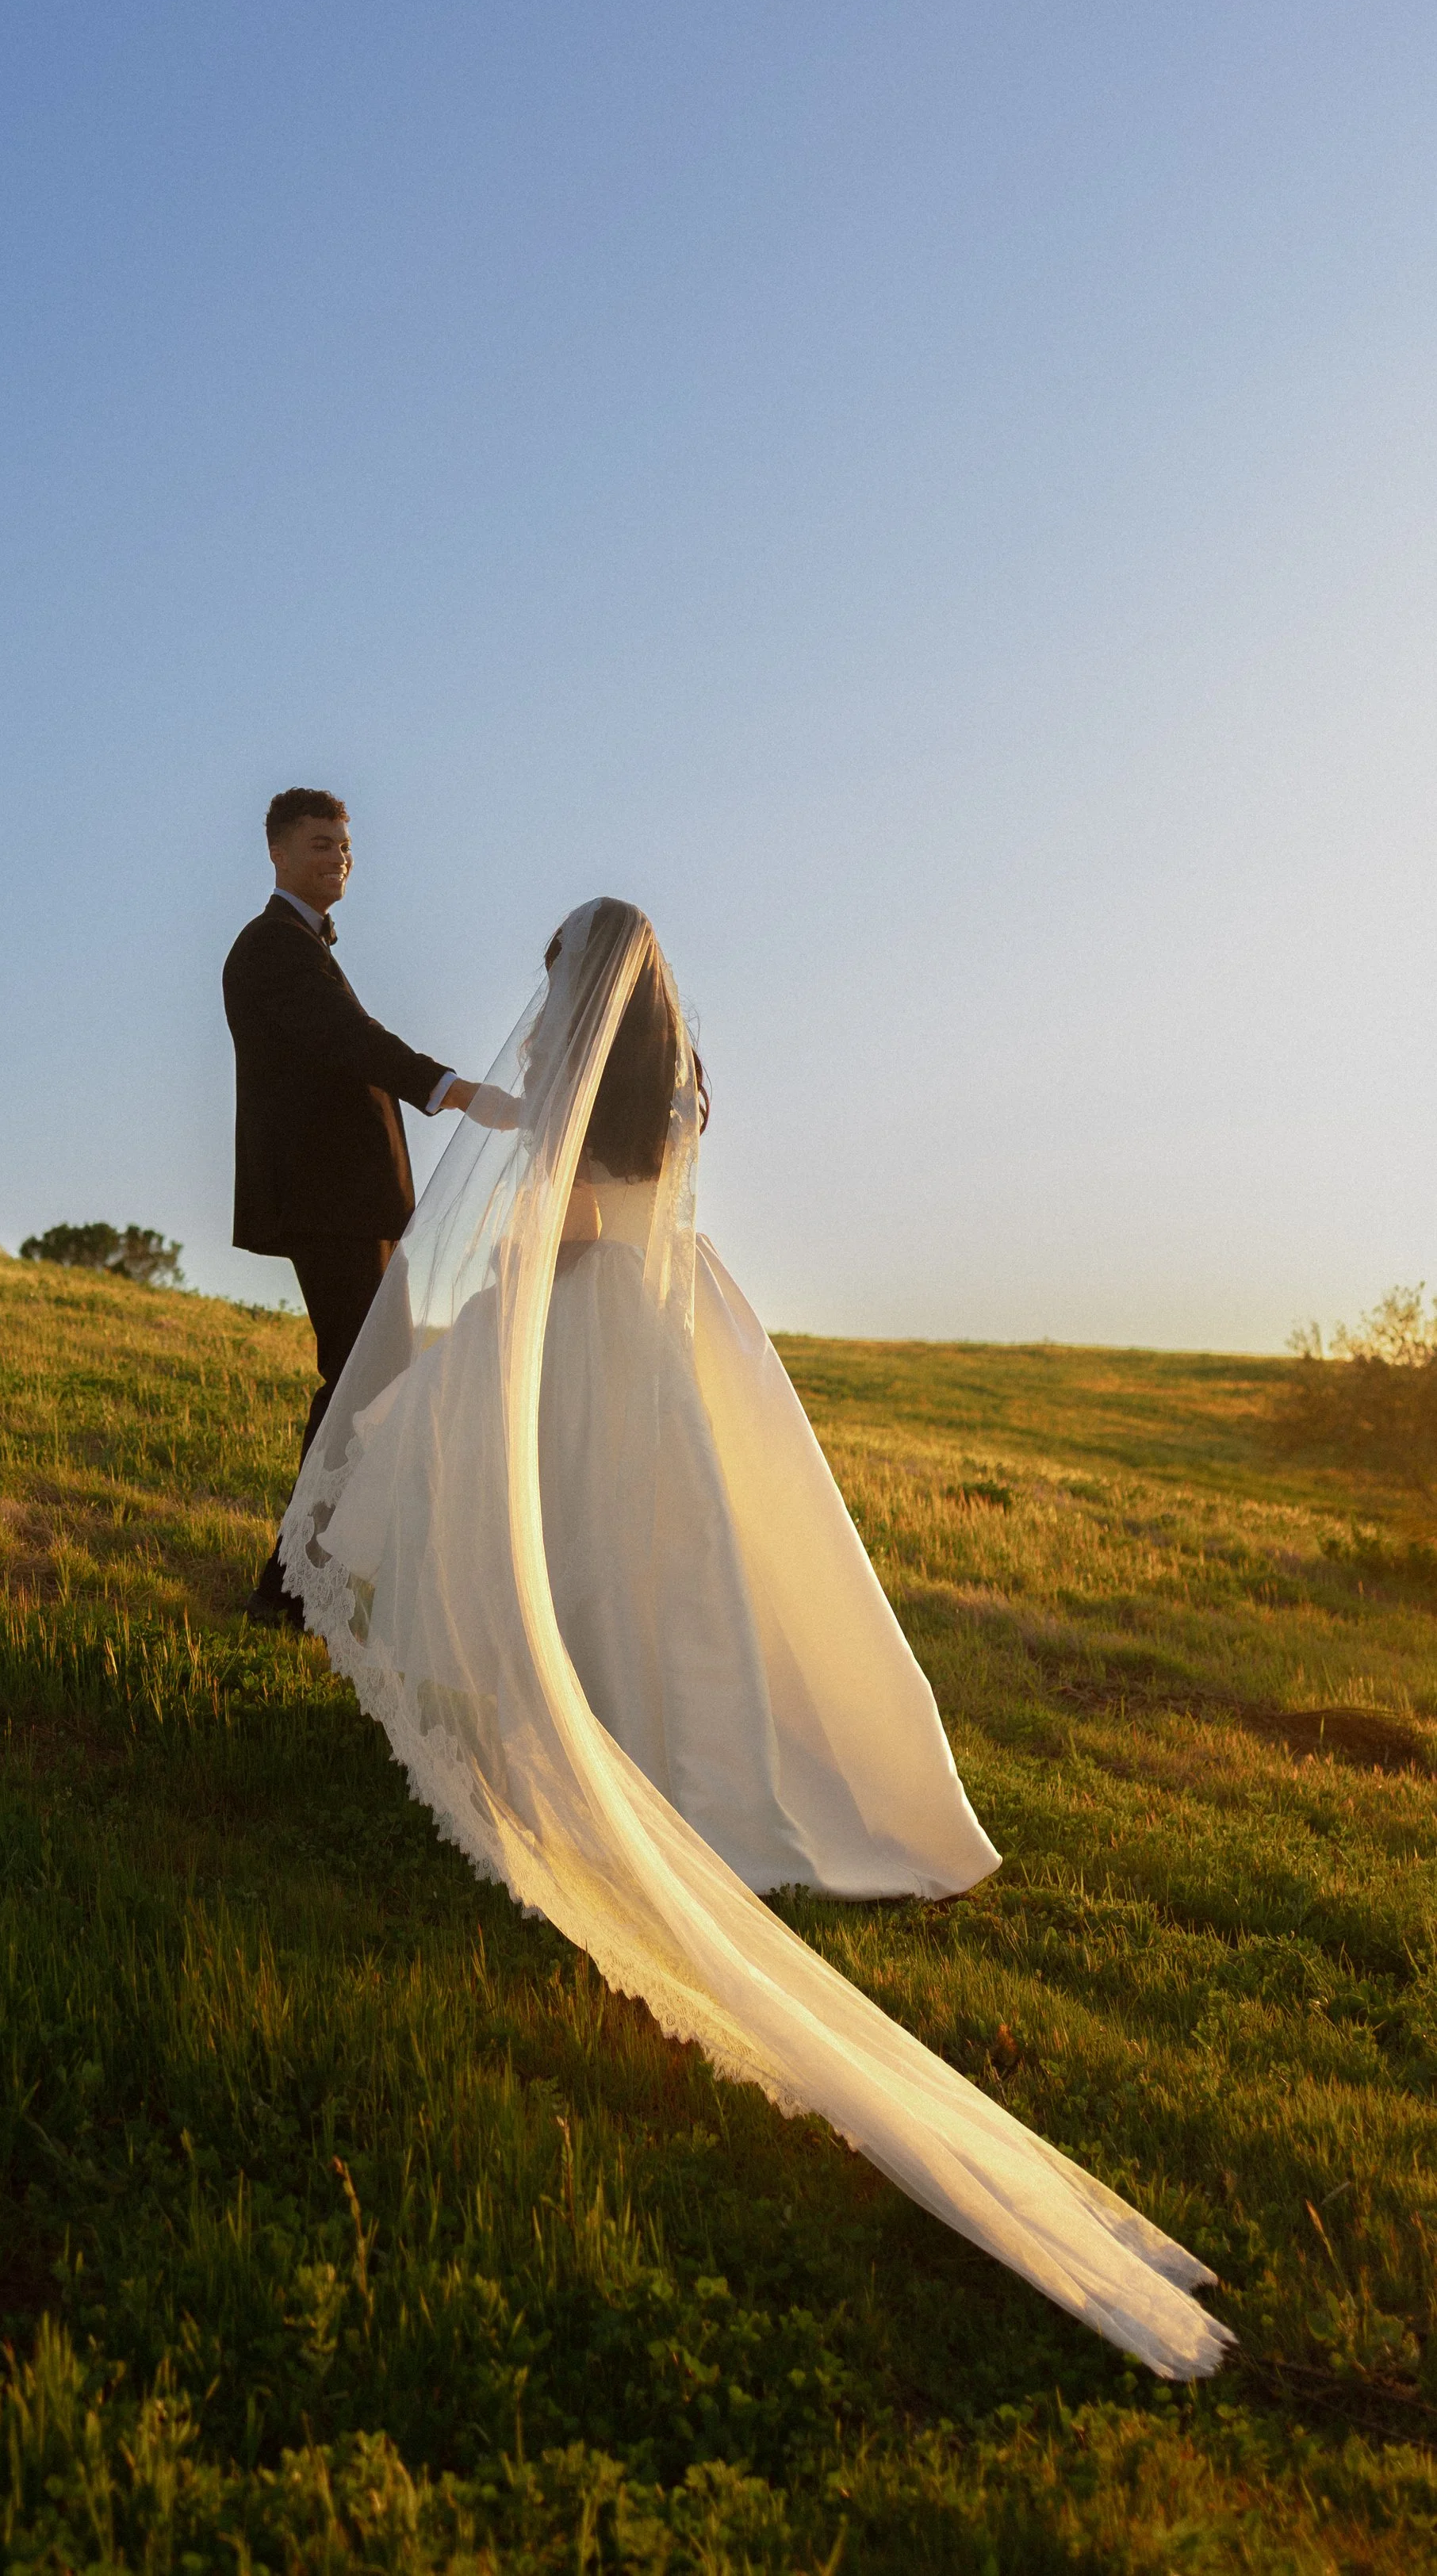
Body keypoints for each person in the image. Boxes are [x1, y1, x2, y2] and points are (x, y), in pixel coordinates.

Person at [278, 896, 1232, 2379]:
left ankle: (629, 1750)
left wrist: (505, 1225)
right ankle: (659, 1730)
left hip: (597, 1315)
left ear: (583, 988)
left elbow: (587, 1216)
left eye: (551, 981)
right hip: (669, 1321)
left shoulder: (599, 1088)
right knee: (668, 1559)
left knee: (568, 1532)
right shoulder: (676, 1077)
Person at [224, 787, 506, 1628]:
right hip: (329, 1199)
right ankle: (289, 1585)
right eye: (320, 844)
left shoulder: (304, 946)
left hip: (351, 1201)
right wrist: (455, 1092)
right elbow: (352, 1043)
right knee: (358, 1380)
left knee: (366, 1379)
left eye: (344, 845)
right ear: (275, 852)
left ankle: (309, 1578)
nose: (338, 857)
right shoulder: (273, 948)